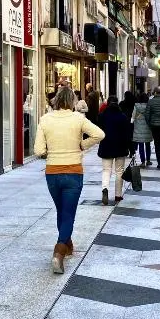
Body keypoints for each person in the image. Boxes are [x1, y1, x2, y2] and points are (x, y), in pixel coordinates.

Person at [34, 87, 105, 274]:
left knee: (61, 210)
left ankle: (68, 244)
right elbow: (99, 134)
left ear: (56, 100)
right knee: (68, 213)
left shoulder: (45, 119)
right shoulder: (78, 118)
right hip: (73, 171)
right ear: (72, 101)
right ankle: (59, 252)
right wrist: (82, 144)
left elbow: (39, 150)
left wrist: (50, 152)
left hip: (52, 172)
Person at [97, 96, 132, 205]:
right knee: (119, 171)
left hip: (106, 146)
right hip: (120, 147)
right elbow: (128, 134)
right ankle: (118, 195)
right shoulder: (123, 117)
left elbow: (98, 130)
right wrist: (131, 148)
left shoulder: (102, 116)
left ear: (108, 103)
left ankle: (105, 188)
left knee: (106, 170)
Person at [131, 92, 153, 167]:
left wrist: (131, 122)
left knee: (141, 145)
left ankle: (143, 161)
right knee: (147, 144)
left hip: (138, 127)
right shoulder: (149, 106)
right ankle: (148, 160)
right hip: (147, 127)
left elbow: (133, 116)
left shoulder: (136, 106)